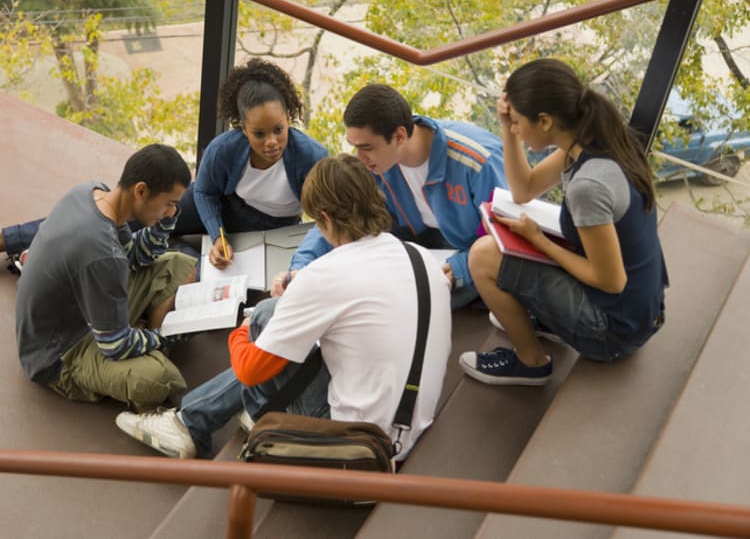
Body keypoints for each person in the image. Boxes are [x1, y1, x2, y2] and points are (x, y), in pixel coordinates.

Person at [115, 154, 452, 460]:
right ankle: (189, 421)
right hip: (408, 429)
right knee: (296, 335)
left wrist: (247, 326)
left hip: (351, 443)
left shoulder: (327, 274)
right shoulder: (419, 257)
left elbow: (249, 370)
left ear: (324, 219)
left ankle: (208, 421)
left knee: (266, 316)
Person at [1, 58, 328, 272]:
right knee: (121, 219)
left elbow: (325, 215)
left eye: (278, 129)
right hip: (217, 208)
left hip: (270, 230)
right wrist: (217, 235)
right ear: (241, 127)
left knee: (190, 268)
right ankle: (11, 239)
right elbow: (207, 193)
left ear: (289, 119)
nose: (271, 141)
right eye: (259, 133)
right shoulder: (223, 151)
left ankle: (47, 261)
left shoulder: (311, 157)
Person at [460, 58, 668, 386]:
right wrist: (506, 130)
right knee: (515, 241)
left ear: (544, 121)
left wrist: (537, 239)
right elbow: (524, 189)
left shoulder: (589, 186)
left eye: (516, 122)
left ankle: (531, 364)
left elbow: (611, 280)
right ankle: (547, 317)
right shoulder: (597, 140)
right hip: (641, 309)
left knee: (483, 255)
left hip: (614, 332)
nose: (514, 128)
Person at [270, 83, 507, 310]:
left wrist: (461, 268)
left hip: (470, 261)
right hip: (416, 257)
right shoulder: (378, 164)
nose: (359, 157)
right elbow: (334, 214)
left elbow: (507, 239)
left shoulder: (478, 162)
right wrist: (301, 269)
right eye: (354, 146)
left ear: (400, 136)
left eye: (367, 147)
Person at [16, 144, 198, 408]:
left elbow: (136, 256)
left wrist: (167, 220)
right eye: (169, 204)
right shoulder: (103, 255)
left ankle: (142, 341)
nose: (172, 211)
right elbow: (115, 346)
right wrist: (165, 336)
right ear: (141, 191)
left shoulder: (91, 193)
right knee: (164, 379)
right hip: (58, 353)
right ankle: (148, 352)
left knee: (179, 264)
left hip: (82, 312)